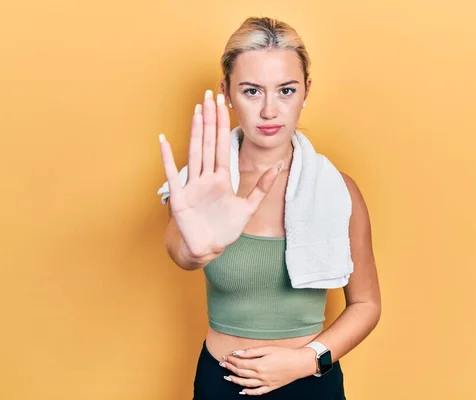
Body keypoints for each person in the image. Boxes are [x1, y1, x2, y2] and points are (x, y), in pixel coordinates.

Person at [158, 17, 381, 399]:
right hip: (221, 384)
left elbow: (366, 303)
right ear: (226, 92)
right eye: (251, 91)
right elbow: (181, 250)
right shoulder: (201, 185)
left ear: (306, 89)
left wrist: (307, 361)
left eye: (286, 90)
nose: (269, 111)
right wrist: (196, 249)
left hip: (312, 384)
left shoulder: (337, 190)